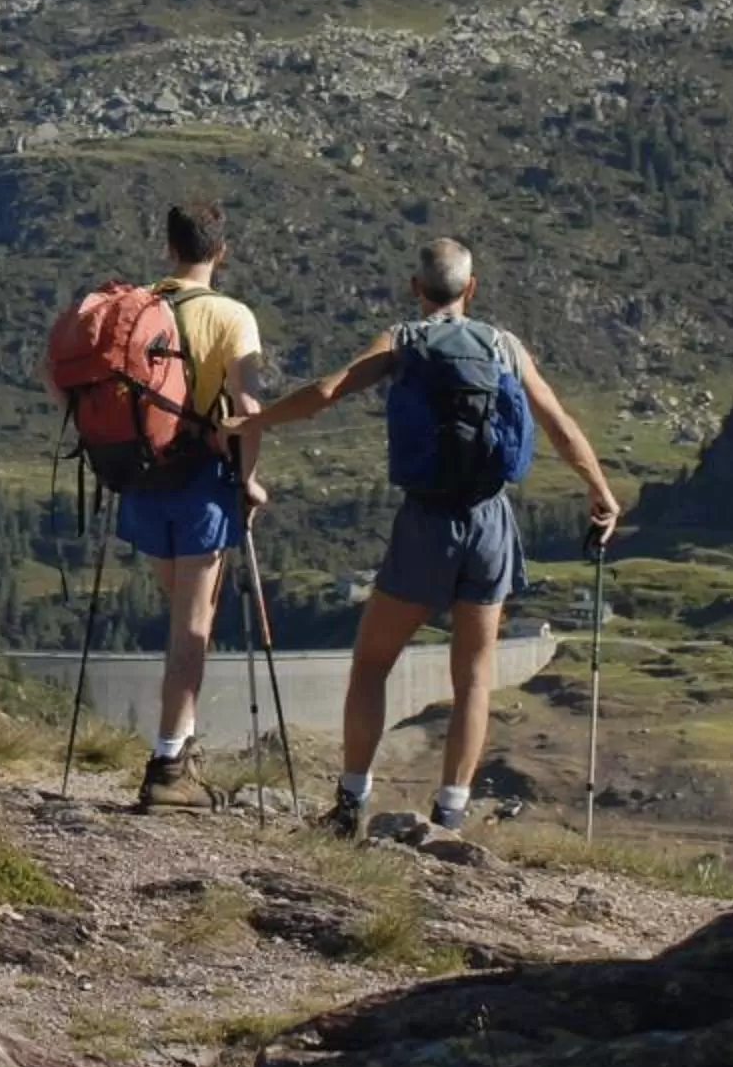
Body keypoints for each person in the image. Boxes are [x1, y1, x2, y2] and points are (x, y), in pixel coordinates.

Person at [241, 237, 620, 838]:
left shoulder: (402, 340)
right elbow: (560, 424)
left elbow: (323, 393)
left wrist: (251, 420)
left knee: (371, 665)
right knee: (472, 676)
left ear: (416, 288)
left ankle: (350, 804)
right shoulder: (506, 346)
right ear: (472, 288)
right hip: (491, 522)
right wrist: (600, 490)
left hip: (426, 522)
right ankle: (450, 813)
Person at [114, 198, 269, 812]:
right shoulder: (232, 317)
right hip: (204, 480)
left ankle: (179, 745)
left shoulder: (134, 309)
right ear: (221, 251)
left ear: (169, 247)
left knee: (181, 607)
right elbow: (248, 412)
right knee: (193, 623)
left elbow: (60, 377)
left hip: (141, 476)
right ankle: (169, 766)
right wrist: (249, 479)